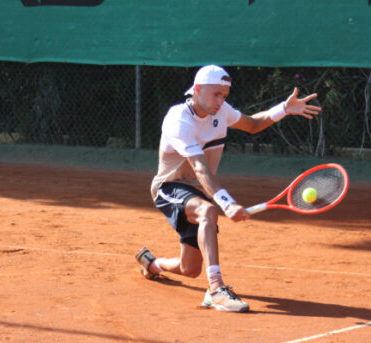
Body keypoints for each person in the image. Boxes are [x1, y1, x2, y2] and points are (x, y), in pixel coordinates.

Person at [136, 65, 321, 312]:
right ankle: (215, 289)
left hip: (197, 191)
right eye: (216, 94)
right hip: (170, 187)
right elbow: (200, 168)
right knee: (208, 212)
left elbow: (253, 124)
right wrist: (227, 203)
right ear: (198, 90)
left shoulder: (221, 111)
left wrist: (284, 109)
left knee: (189, 268)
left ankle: (151, 264)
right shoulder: (179, 119)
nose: (220, 101)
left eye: (224, 96)